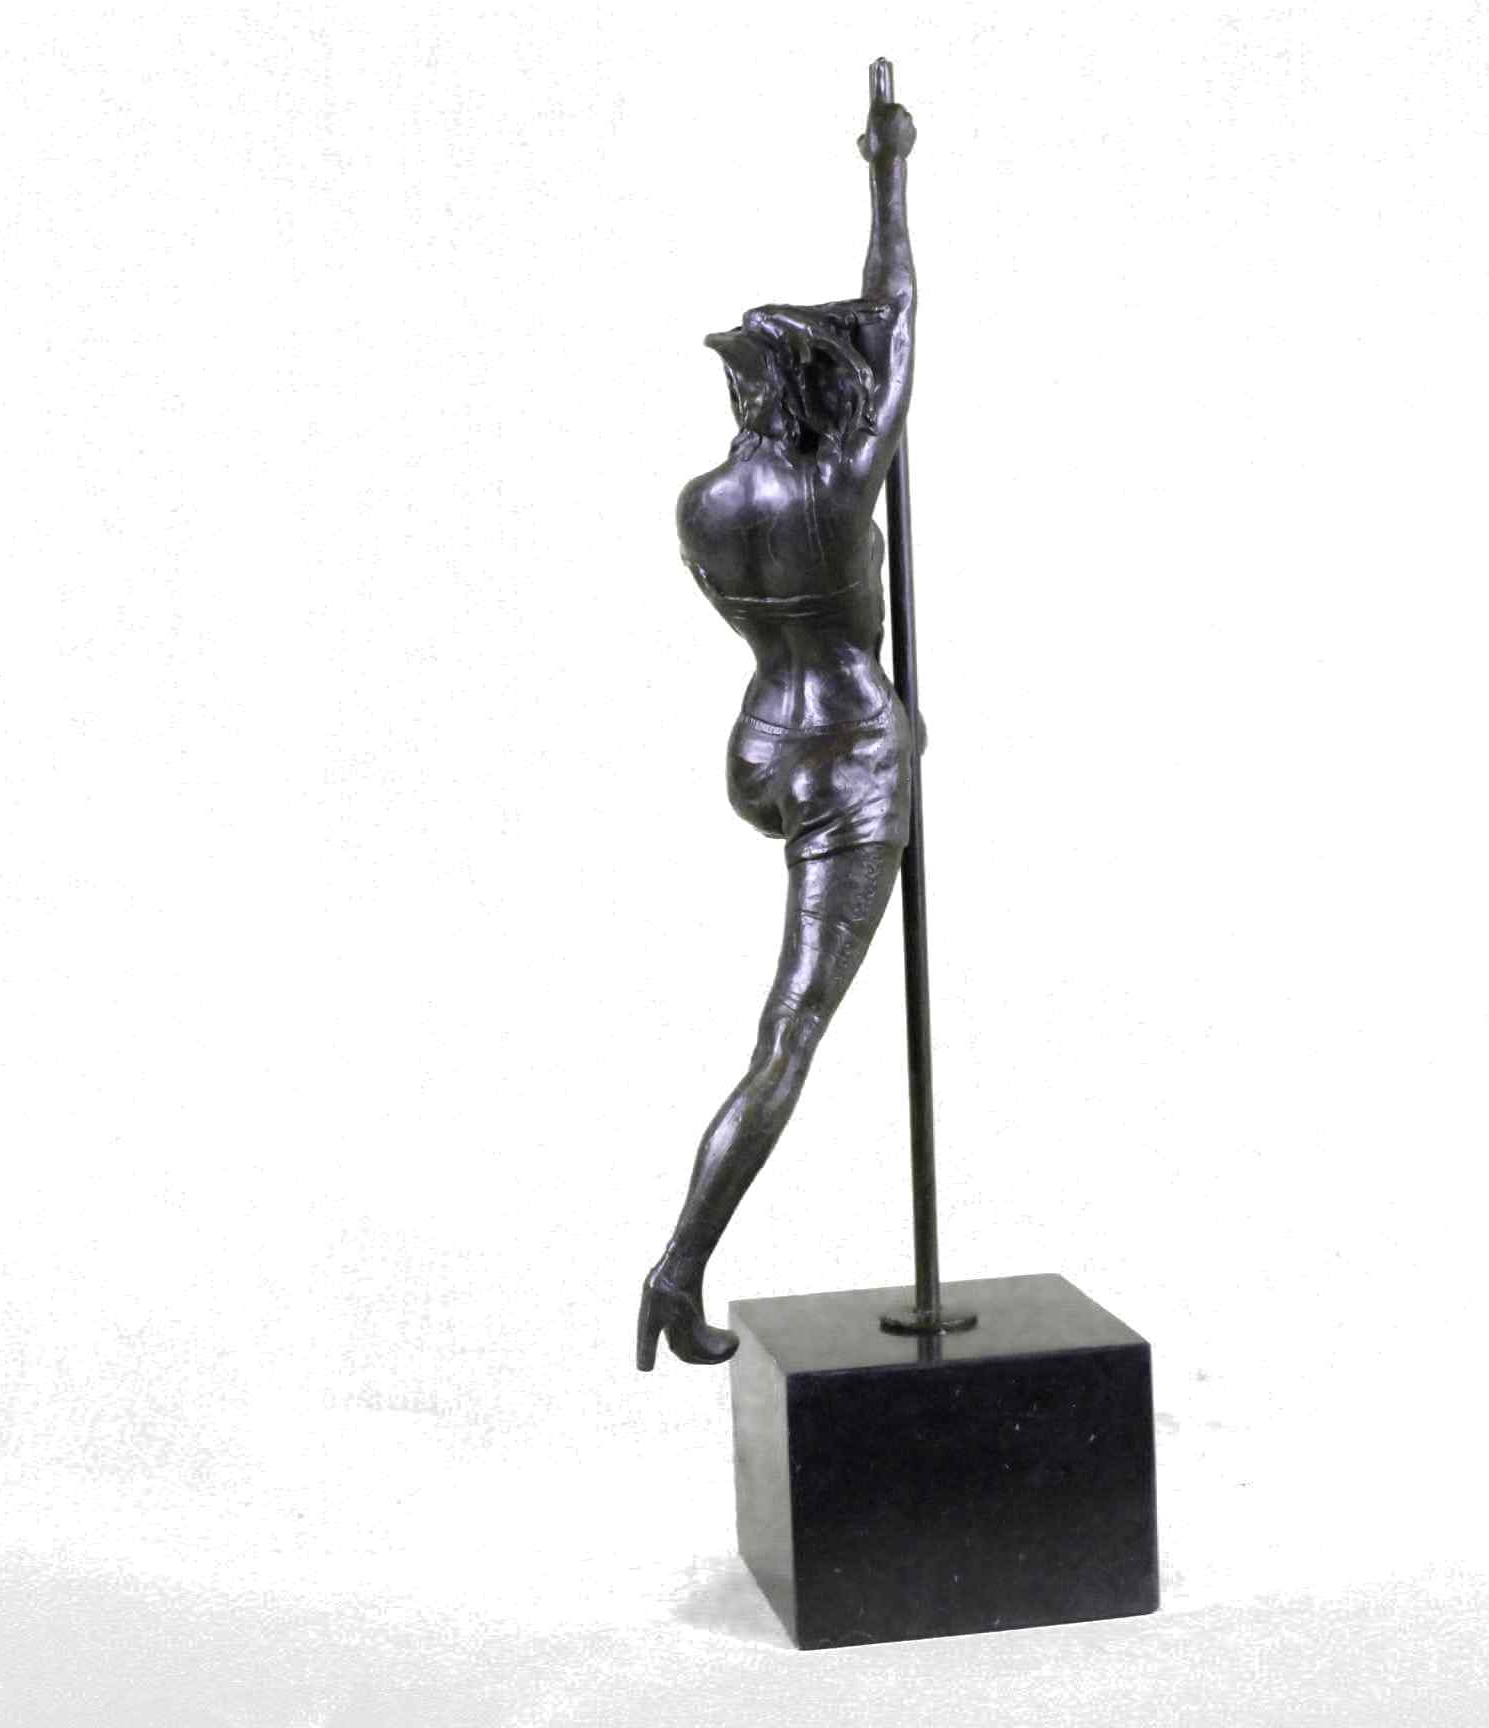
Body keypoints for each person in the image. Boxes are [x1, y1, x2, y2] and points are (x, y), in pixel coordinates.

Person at [637, 92, 919, 1370]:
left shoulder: (703, 504)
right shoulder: (841, 483)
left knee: (787, 1026)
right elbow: (897, 313)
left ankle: (682, 1265)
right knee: (789, 1035)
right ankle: (677, 1266)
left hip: (760, 746)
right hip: (851, 754)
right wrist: (889, 180)